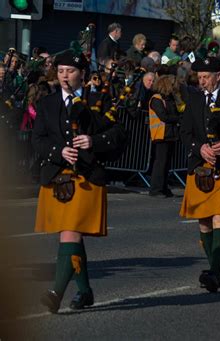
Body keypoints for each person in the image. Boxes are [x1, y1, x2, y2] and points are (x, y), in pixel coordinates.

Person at [32, 50, 127, 313]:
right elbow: (37, 139)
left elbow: (119, 134)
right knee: (72, 237)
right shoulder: (47, 103)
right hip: (57, 177)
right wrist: (59, 151)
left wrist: (93, 141)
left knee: (69, 232)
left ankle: (55, 293)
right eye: (61, 71)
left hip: (87, 177)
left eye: (70, 71)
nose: (64, 76)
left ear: (82, 74)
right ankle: (85, 292)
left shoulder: (98, 100)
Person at [179, 57, 220, 293]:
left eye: (207, 76)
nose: (202, 80)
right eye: (199, 76)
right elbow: (185, 132)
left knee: (219, 217)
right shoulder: (195, 98)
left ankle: (215, 272)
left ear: (219, 75)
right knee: (204, 221)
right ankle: (214, 270)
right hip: (200, 165)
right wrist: (200, 148)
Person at [148, 75, 183, 197]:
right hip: (161, 134)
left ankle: (163, 187)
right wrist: (179, 119)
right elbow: (164, 117)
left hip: (170, 134)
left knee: (166, 163)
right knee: (160, 162)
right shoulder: (156, 99)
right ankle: (156, 189)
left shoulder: (169, 99)